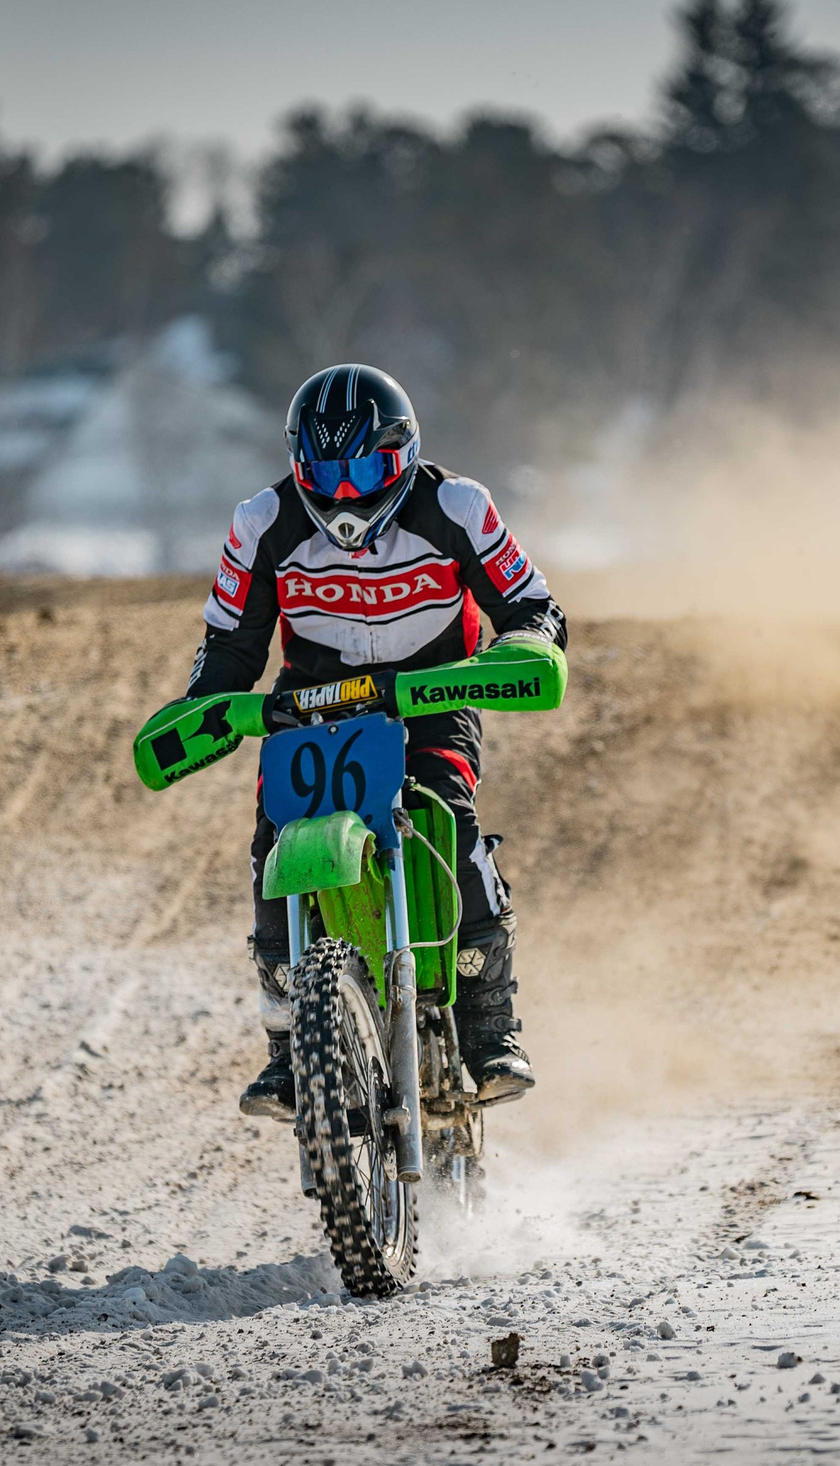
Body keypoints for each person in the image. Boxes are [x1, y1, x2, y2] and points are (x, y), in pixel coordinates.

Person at [180, 363, 567, 1119]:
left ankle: (490, 1027)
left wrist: (522, 645)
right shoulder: (263, 522)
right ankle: (290, 1050)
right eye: (327, 470)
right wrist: (207, 705)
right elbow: (228, 645)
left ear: (404, 453)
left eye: (366, 466)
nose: (347, 491)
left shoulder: (456, 505)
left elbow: (531, 603)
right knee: (272, 850)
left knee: (446, 816)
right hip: (312, 709)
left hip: (431, 697)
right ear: (299, 461)